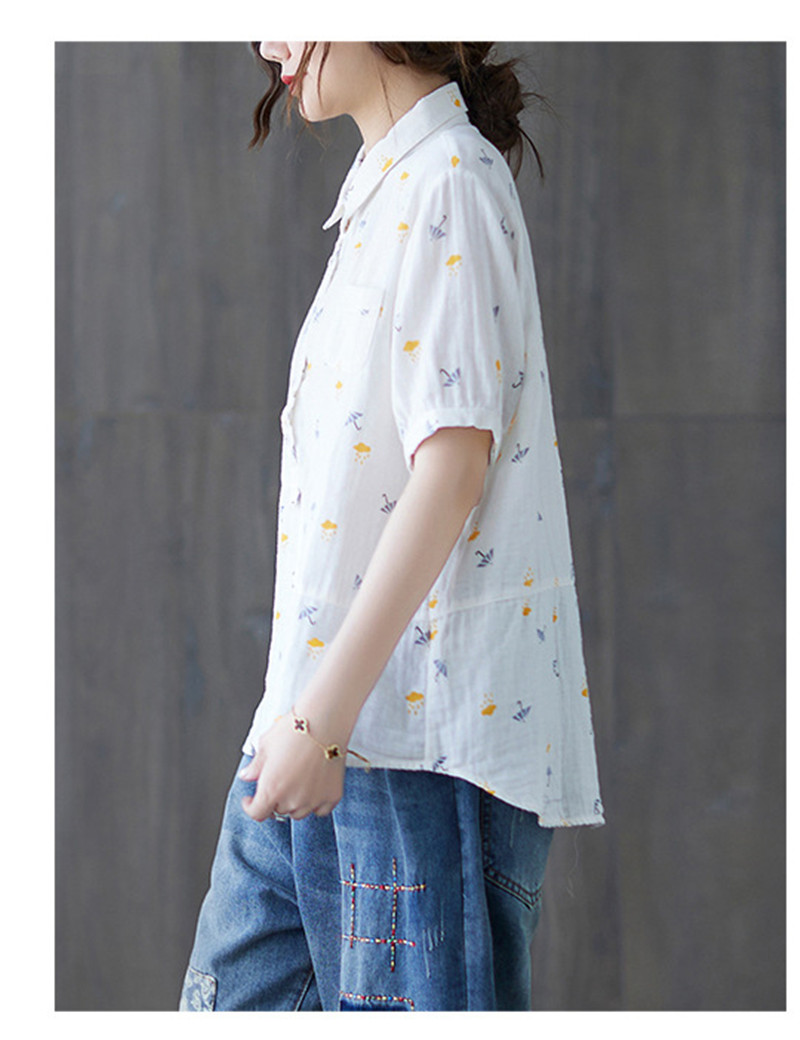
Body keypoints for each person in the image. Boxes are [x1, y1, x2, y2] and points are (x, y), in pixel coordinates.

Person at [179, 41, 605, 1013]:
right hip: (321, 728)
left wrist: (320, 721)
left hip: (410, 747)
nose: (267, 44)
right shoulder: (391, 188)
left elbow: (450, 472)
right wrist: (306, 719)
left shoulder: (451, 178)